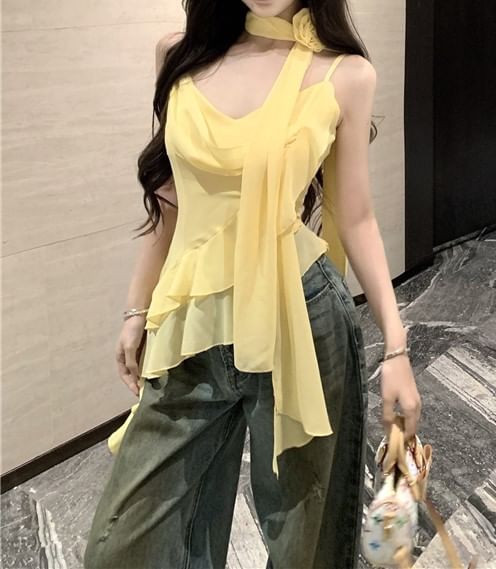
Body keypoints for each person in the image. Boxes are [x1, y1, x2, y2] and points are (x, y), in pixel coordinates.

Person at [84, 1, 421, 567]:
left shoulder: (344, 75)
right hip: (191, 325)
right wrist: (136, 309)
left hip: (301, 320)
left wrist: (396, 347)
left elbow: (356, 216)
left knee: (304, 540)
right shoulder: (180, 55)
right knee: (125, 545)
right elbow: (172, 198)